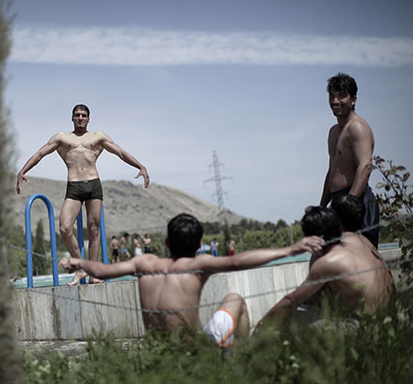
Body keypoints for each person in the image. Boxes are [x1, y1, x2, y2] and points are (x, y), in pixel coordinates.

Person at [60, 213, 323, 347]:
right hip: (192, 350)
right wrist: (290, 250)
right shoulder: (198, 265)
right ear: (199, 245)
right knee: (235, 300)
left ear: (165, 242)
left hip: (158, 351)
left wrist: (79, 262)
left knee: (231, 300)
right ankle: (237, 365)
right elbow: (238, 260)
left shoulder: (145, 264)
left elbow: (103, 271)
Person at [16, 104, 150, 285]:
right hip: (74, 187)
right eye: (77, 115)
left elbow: (120, 152)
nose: (80, 118)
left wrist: (140, 166)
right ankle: (82, 268)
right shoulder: (62, 138)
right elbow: (40, 153)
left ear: (88, 118)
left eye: (84, 115)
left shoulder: (98, 137)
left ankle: (94, 274)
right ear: (72, 118)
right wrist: (23, 171)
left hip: (93, 184)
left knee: (94, 231)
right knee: (64, 228)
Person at [257, 204, 393, 330]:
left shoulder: (328, 262)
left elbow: (291, 301)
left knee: (285, 316)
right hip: (385, 320)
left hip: (362, 327)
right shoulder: (358, 241)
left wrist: (260, 325)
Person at [319, 73, 379, 248]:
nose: (335, 101)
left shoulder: (358, 127)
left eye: (341, 96)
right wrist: (323, 205)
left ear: (353, 99)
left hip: (357, 201)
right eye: (332, 96)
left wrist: (349, 204)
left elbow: (365, 166)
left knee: (364, 261)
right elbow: (332, 171)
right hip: (338, 202)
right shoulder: (333, 132)